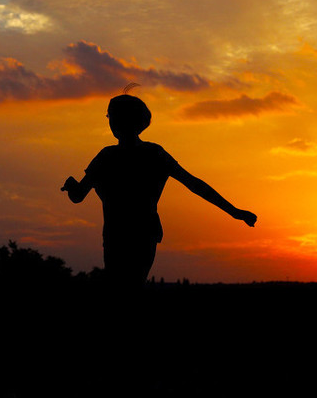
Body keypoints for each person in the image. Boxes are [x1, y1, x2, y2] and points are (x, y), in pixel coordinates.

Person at [62, 93, 257, 289]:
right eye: (109, 116)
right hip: (144, 234)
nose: (110, 120)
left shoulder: (106, 156)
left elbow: (78, 196)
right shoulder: (155, 154)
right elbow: (194, 184)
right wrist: (235, 212)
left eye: (111, 115)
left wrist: (71, 185)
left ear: (122, 119)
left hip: (118, 236)